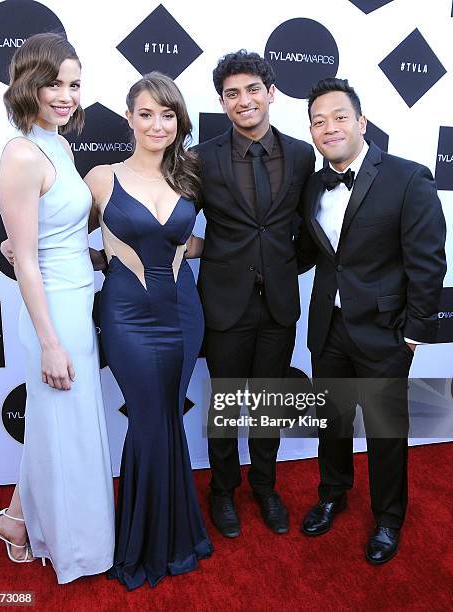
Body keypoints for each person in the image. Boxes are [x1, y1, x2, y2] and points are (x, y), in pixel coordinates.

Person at [298, 77, 446, 564]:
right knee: (332, 422)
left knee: (385, 431)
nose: (329, 127)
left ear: (361, 122)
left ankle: (388, 518)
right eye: (318, 121)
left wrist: (412, 334)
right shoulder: (312, 185)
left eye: (340, 117)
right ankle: (333, 494)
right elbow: (313, 253)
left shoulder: (408, 177)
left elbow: (428, 262)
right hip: (329, 327)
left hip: (385, 333)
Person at [0, 33, 115, 583]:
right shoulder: (20, 153)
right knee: (63, 430)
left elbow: (51, 239)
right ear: (28, 85)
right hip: (51, 316)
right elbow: (27, 264)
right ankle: (75, 549)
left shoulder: (57, 144)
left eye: (75, 84)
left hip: (74, 303)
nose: (67, 95)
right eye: (54, 83)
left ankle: (16, 520)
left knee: (57, 427)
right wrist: (50, 343)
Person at [84, 72, 212, 590]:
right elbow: (75, 242)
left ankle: (176, 533)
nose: (157, 124)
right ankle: (145, 541)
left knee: (168, 419)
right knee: (147, 419)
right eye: (146, 113)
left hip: (184, 312)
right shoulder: (102, 177)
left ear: (178, 121)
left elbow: (187, 242)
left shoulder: (188, 179)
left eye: (168, 115)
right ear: (130, 118)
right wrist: (25, 251)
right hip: (127, 316)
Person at [194, 50, 315, 537]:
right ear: (222, 103)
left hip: (279, 303)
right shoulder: (201, 157)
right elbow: (170, 215)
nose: (243, 101)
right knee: (224, 403)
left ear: (271, 93)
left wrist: (284, 266)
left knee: (267, 402)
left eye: (251, 90)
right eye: (231, 94)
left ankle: (265, 487)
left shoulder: (303, 155)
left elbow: (312, 226)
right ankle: (222, 490)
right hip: (224, 302)